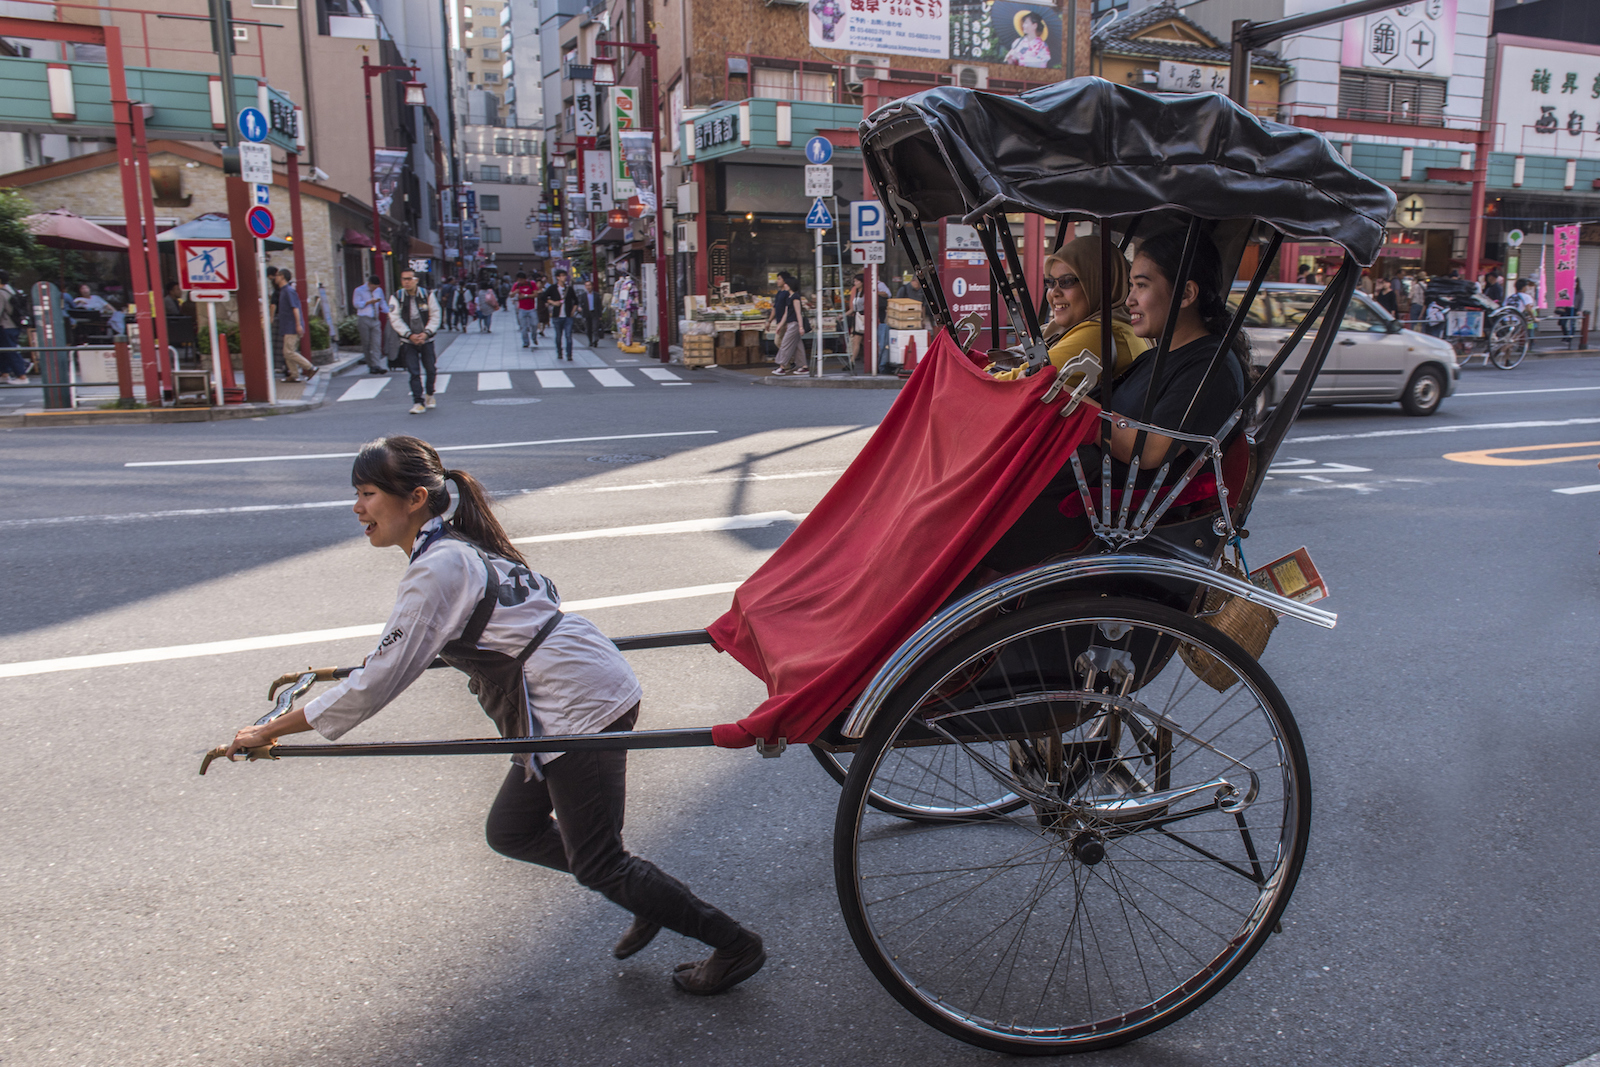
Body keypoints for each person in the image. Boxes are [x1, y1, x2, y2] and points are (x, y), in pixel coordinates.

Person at [220, 436, 767, 995]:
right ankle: (639, 888)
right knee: (512, 831)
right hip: (567, 686)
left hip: (577, 700)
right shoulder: (450, 547)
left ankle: (732, 943)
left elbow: (380, 680)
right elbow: (397, 654)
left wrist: (270, 729)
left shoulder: (439, 565)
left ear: (413, 499)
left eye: (366, 493)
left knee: (599, 862)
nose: (357, 508)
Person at [980, 229, 1247, 575]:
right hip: (1090, 484)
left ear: (1186, 294)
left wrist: (1082, 414)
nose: (1130, 299)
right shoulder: (1157, 356)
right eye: (1132, 286)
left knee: (986, 517)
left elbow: (1152, 449)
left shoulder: (1210, 367)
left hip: (1114, 511)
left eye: (1142, 286)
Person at [987, 235, 1146, 386]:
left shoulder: (1099, 334)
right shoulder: (1112, 326)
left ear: (1100, 285)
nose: (1054, 292)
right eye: (1050, 282)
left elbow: (1009, 384)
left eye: (1067, 281)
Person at [390, 268, 441, 414]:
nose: (406, 282)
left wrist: (426, 333)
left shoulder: (427, 295)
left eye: (409, 279)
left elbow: (435, 314)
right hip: (408, 341)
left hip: (427, 339)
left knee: (430, 369)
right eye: (403, 279)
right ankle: (418, 402)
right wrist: (408, 335)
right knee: (413, 371)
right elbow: (395, 318)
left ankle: (430, 393)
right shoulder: (397, 297)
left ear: (416, 280)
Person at [274, 269, 315, 383]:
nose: (275, 278)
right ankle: (294, 374)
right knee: (287, 351)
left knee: (288, 352)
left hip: (291, 326)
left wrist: (298, 324)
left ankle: (310, 367)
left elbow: (295, 308)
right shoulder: (284, 291)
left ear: (282, 277)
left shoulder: (288, 291)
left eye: (277, 275)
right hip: (288, 325)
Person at [767, 272, 807, 375]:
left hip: (794, 324)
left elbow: (798, 313)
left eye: (786, 283)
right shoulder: (790, 297)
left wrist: (801, 327)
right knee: (798, 346)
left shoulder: (795, 297)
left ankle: (782, 367)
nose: (784, 285)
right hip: (790, 323)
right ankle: (804, 366)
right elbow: (786, 313)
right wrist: (779, 324)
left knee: (785, 344)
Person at [353, 274, 388, 375]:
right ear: (369, 284)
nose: (374, 289)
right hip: (364, 318)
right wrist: (368, 302)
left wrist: (388, 312)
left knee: (376, 343)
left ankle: (377, 365)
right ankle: (371, 365)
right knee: (366, 343)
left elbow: (382, 302)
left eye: (376, 287)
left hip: (375, 319)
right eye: (373, 287)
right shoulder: (359, 290)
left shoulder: (379, 291)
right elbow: (356, 304)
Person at [0, 269, 27, 384]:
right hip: (14, 324)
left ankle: (22, 376)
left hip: (5, 325)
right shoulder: (11, 290)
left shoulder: (0, 292)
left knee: (11, 351)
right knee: (4, 350)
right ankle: (4, 374)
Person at [544, 269, 579, 361]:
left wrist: (573, 311)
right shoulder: (552, 288)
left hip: (568, 316)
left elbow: (576, 300)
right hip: (557, 316)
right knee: (558, 336)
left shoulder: (569, 288)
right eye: (562, 276)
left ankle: (569, 354)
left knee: (568, 336)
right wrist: (553, 302)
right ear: (558, 277)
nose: (564, 277)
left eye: (565, 276)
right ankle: (559, 352)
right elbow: (543, 297)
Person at [511, 271, 540, 348]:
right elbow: (510, 295)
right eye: (518, 280)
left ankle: (534, 337)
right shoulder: (516, 285)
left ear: (525, 279)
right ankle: (526, 342)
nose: (520, 281)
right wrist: (514, 293)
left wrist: (526, 296)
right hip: (522, 309)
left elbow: (536, 294)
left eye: (521, 280)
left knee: (534, 324)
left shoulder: (531, 284)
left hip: (532, 308)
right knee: (523, 327)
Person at [583, 277, 601, 347]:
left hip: (595, 313)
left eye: (589, 285)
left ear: (592, 286)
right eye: (586, 285)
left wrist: (600, 315)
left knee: (595, 327)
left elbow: (599, 305)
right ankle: (590, 341)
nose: (588, 287)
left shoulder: (596, 295)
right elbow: (581, 304)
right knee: (588, 329)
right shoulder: (583, 295)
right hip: (586, 313)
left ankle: (595, 340)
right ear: (585, 287)